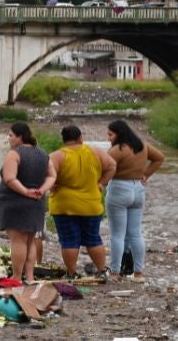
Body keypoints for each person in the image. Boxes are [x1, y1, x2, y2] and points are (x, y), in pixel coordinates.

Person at [49, 125, 116, 279]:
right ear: (80, 137)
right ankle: (101, 270)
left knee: (69, 240)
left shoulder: (57, 156)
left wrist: (52, 185)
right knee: (93, 238)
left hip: (64, 205)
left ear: (64, 140)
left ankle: (72, 273)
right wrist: (102, 183)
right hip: (90, 204)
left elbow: (45, 174)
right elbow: (112, 166)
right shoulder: (95, 152)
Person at [105, 120, 165, 283]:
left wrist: (100, 182)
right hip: (138, 189)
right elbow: (159, 158)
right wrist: (146, 174)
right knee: (136, 233)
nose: (109, 138)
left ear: (119, 133)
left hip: (119, 188)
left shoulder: (118, 149)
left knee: (117, 234)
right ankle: (139, 273)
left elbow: (104, 166)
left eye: (110, 134)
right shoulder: (142, 145)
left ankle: (115, 272)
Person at [0, 123, 56, 282]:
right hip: (37, 202)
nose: (9, 139)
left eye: (10, 135)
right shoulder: (42, 153)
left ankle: (16, 277)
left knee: (18, 240)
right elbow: (52, 175)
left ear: (20, 137)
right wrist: (42, 190)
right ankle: (29, 276)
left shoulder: (14, 154)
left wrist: (25, 191)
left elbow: (9, 178)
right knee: (30, 240)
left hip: (15, 202)